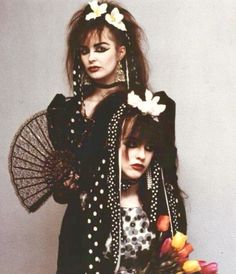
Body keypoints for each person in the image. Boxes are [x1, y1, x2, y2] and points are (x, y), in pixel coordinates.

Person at [45, 1, 186, 273]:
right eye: (84, 51)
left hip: (132, 222)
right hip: (82, 228)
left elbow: (166, 178)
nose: (91, 59)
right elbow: (62, 192)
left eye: (101, 49)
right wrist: (64, 184)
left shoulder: (144, 104)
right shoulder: (66, 111)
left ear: (121, 52)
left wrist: (176, 240)